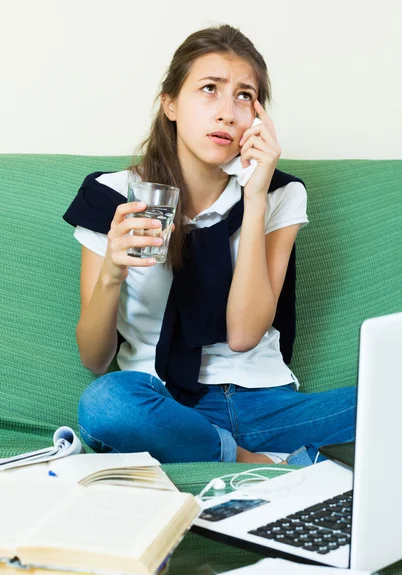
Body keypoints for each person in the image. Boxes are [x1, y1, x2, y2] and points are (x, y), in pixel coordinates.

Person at [63, 24, 355, 466]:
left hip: (268, 406)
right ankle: (258, 462)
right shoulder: (112, 196)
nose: (226, 112)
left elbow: (243, 335)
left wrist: (254, 198)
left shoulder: (279, 194)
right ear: (171, 103)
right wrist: (113, 271)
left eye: (243, 96)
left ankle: (259, 451)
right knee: (105, 403)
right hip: (165, 404)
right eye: (209, 89)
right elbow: (95, 358)